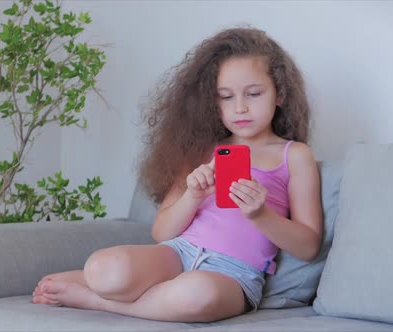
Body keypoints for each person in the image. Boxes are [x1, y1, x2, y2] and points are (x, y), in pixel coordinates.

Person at [32, 26, 323, 323]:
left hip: (233, 274)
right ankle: (118, 286)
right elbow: (161, 233)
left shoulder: (294, 156)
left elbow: (308, 246)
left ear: (280, 94)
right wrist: (193, 195)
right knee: (103, 267)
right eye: (225, 97)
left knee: (196, 294)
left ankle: (97, 300)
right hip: (177, 253)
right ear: (212, 102)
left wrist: (260, 215)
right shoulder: (202, 150)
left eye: (254, 93)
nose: (240, 107)